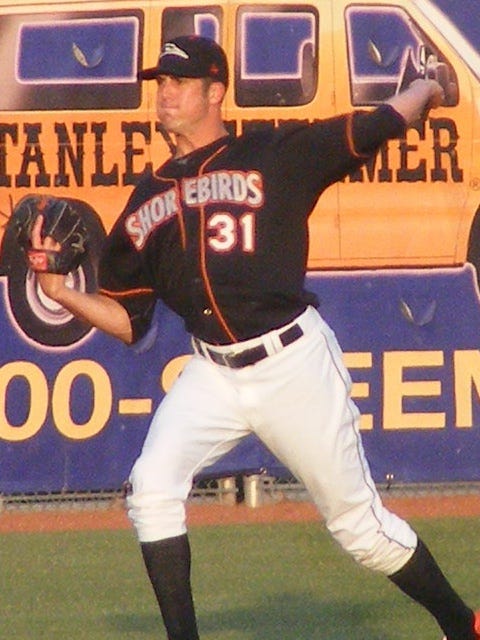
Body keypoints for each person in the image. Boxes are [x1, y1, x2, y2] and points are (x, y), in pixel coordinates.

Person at [30, 35, 478, 640]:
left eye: (179, 82)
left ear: (216, 93)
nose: (164, 94)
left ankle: (462, 624)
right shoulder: (147, 199)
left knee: (361, 533)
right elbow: (130, 321)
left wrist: (424, 91)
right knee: (152, 487)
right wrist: (60, 295)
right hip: (213, 372)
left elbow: (373, 128)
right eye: (160, 82)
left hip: (291, 363)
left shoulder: (271, 154)